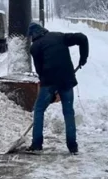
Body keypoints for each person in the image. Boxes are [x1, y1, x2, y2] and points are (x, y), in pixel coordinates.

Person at [26, 22, 89, 155]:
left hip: (49, 82)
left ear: (32, 35)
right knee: (68, 112)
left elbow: (40, 70)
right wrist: (83, 58)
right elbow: (82, 38)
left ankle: (37, 144)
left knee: (39, 109)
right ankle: (72, 146)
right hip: (67, 79)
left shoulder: (35, 47)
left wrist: (50, 92)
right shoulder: (59, 36)